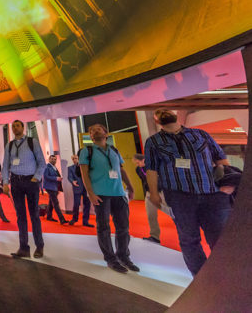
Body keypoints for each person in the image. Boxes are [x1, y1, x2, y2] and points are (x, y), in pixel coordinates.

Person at [145, 109, 232, 276]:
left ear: (176, 115)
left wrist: (228, 180)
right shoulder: (153, 141)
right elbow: (151, 170)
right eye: (158, 112)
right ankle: (201, 278)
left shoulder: (200, 134)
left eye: (166, 109)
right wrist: (154, 193)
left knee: (220, 238)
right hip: (179, 196)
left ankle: (226, 275)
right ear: (156, 121)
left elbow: (221, 158)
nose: (163, 112)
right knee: (189, 240)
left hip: (212, 193)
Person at [80, 124, 139, 274]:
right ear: (90, 136)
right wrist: (90, 193)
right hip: (100, 195)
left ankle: (123, 256)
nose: (95, 131)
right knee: (104, 227)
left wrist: (130, 187)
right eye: (92, 131)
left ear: (106, 133)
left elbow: (121, 170)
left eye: (98, 129)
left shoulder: (114, 150)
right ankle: (111, 259)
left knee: (123, 227)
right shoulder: (87, 151)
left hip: (119, 193)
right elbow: (84, 174)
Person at [1, 120, 46, 259]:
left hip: (30, 181)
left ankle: (39, 246)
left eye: (17, 126)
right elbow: (5, 165)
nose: (15, 128)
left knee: (34, 215)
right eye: (13, 126)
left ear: (23, 127)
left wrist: (36, 178)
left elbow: (42, 162)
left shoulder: (32, 142)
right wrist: (5, 182)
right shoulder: (9, 145)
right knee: (20, 216)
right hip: (16, 182)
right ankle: (23, 248)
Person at [132, 153, 173, 244]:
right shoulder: (138, 169)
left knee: (171, 211)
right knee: (151, 215)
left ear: (143, 160)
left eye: (138, 162)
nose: (137, 165)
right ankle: (155, 237)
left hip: (161, 192)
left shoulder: (154, 165)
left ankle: (183, 227)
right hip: (149, 193)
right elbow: (144, 180)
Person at [67, 154, 92, 227]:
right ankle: (74, 219)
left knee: (87, 204)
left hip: (86, 188)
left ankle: (85, 221)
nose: (75, 160)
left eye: (76, 158)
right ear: (72, 160)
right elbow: (69, 177)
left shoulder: (85, 166)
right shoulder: (70, 168)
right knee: (76, 204)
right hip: (77, 187)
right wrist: (72, 181)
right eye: (74, 158)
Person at [42, 154, 67, 224]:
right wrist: (56, 178)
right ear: (49, 159)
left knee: (51, 202)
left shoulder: (54, 167)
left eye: (55, 159)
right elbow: (46, 177)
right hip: (50, 187)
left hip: (55, 187)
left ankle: (49, 216)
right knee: (56, 203)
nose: (53, 160)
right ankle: (62, 219)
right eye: (52, 159)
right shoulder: (47, 167)